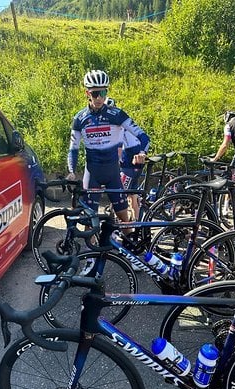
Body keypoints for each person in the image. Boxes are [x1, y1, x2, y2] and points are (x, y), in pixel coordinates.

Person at [67, 70, 150, 272]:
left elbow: (143, 136)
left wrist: (141, 152)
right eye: (95, 93)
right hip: (92, 174)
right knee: (90, 220)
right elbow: (73, 148)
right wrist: (71, 171)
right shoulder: (80, 118)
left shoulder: (116, 114)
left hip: (113, 173)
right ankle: (91, 260)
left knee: (124, 218)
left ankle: (132, 256)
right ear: (87, 93)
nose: (100, 98)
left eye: (103, 92)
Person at [105, 97, 150, 220]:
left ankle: (123, 225)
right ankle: (136, 224)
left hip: (130, 159)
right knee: (132, 195)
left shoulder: (117, 124)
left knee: (120, 196)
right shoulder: (123, 120)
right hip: (135, 159)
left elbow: (118, 147)